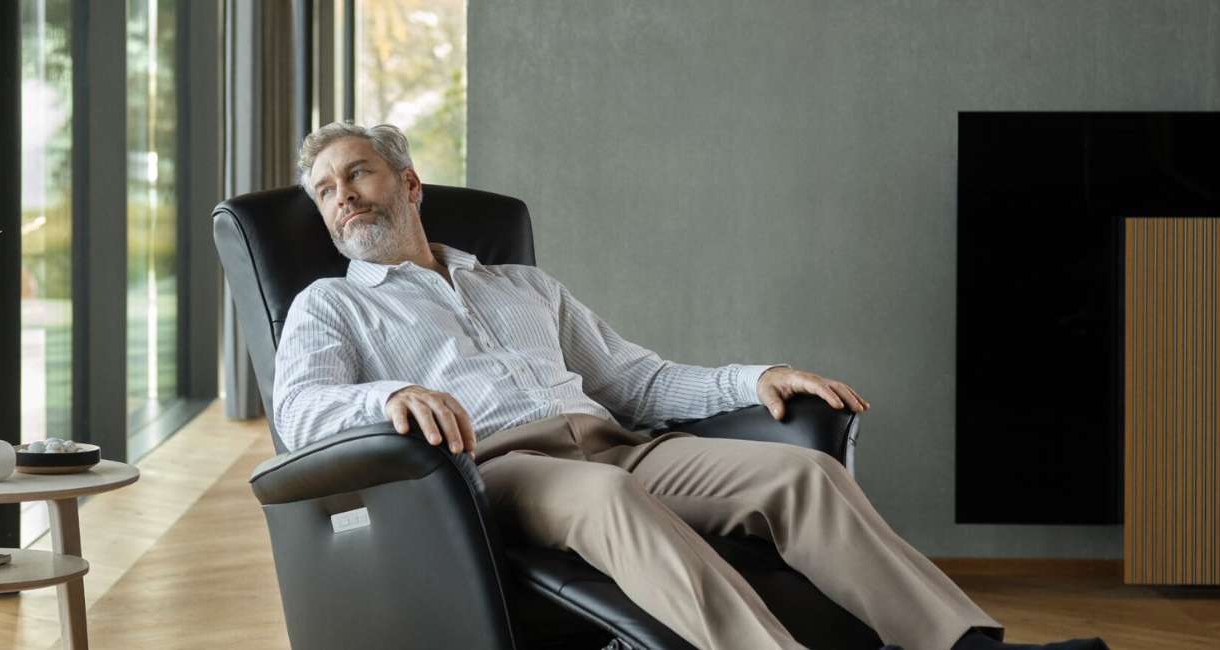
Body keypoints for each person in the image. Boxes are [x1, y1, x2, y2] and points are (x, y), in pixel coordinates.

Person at [270, 121, 1109, 650]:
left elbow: (637, 378)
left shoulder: (521, 285)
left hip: (619, 446)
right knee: (603, 498)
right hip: (493, 471)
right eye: (326, 192)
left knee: (801, 474)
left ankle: (964, 646)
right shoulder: (331, 304)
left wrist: (760, 376)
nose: (343, 198)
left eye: (359, 175)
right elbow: (302, 410)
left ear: (408, 184)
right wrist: (383, 399)